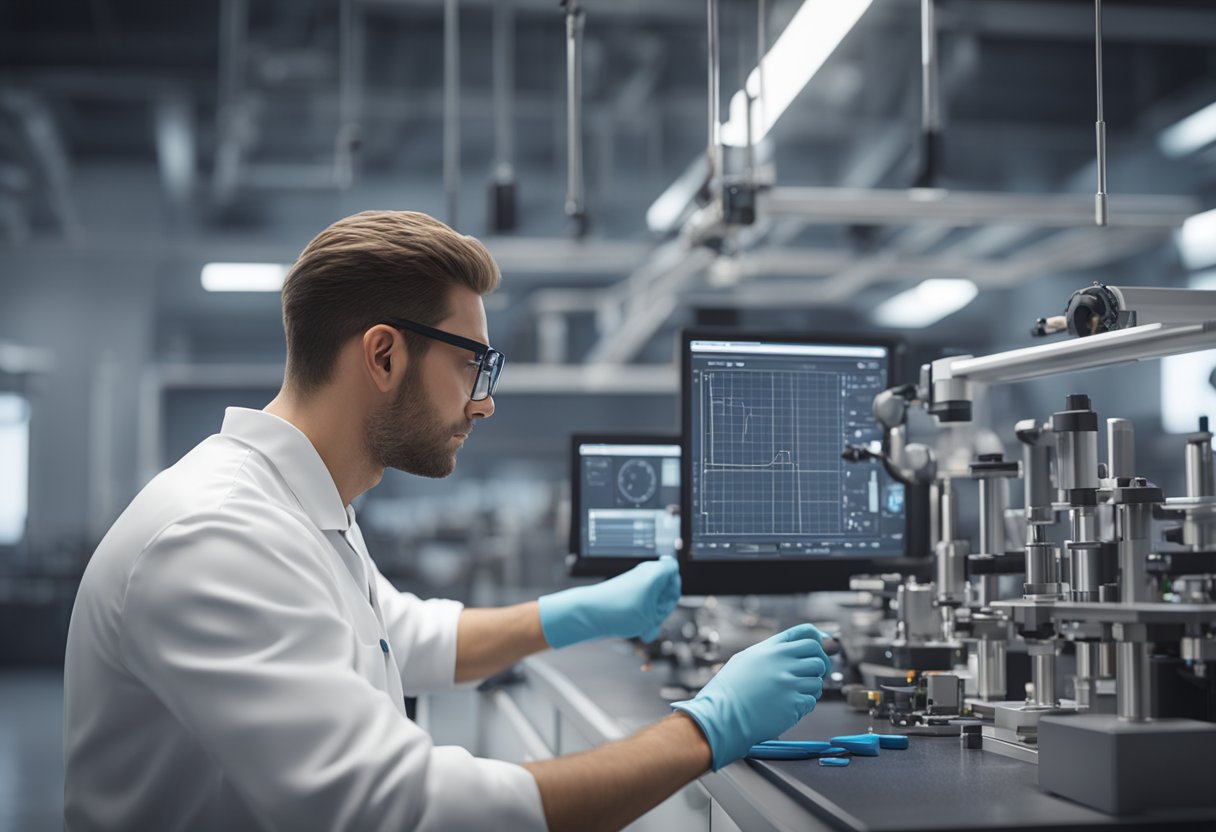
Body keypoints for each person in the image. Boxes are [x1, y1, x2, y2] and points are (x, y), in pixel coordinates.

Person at [63, 210, 829, 832]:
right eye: (473, 365)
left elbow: (403, 636)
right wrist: (705, 729)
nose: (485, 401)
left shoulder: (298, 506)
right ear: (385, 357)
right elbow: (407, 812)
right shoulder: (216, 535)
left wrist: (583, 612)